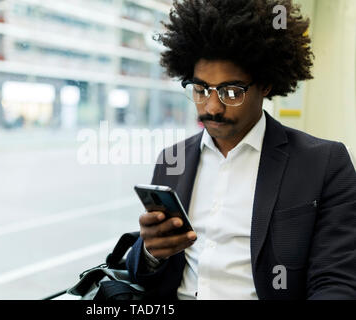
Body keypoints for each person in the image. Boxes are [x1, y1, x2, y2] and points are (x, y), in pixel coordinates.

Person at [126, 0, 356, 300]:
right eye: (200, 90)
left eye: (231, 92)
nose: (212, 107)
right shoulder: (173, 160)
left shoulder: (324, 163)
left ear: (266, 84)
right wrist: (150, 251)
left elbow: (337, 283)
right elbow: (145, 272)